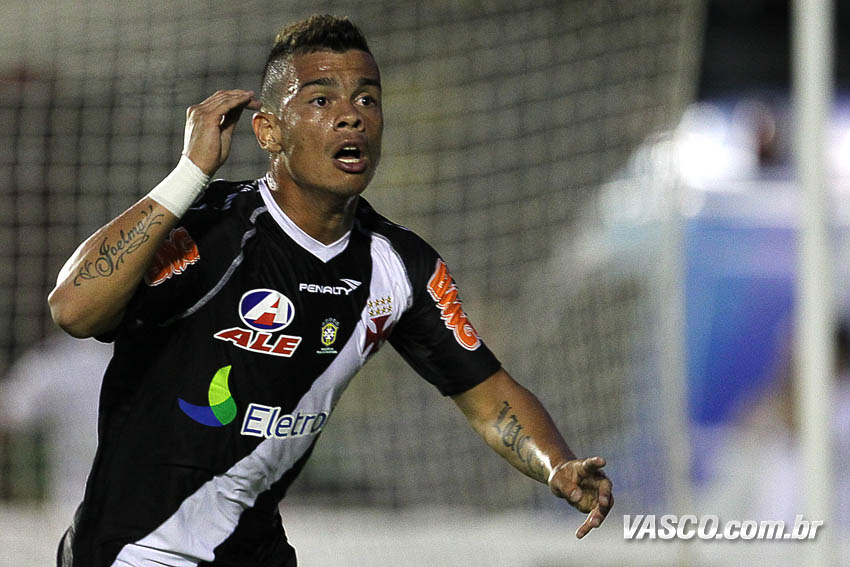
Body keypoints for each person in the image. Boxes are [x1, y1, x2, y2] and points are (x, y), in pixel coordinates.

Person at [47, 14, 613, 567]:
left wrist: (556, 464)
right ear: (268, 131)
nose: (351, 116)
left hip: (254, 551)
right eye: (322, 100)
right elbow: (73, 309)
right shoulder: (208, 228)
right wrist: (189, 174)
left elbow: (488, 396)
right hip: (133, 550)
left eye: (367, 99)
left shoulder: (400, 265)